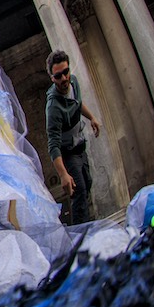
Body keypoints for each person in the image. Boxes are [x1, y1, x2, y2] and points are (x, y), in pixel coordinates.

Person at [44, 50, 102, 225]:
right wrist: (63, 174)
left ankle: (83, 229)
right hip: (67, 152)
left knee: (87, 182)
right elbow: (53, 145)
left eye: (65, 72)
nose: (64, 79)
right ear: (52, 78)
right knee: (79, 191)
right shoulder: (53, 106)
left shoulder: (74, 82)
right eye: (58, 76)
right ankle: (81, 236)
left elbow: (77, 102)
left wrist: (91, 117)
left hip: (79, 146)